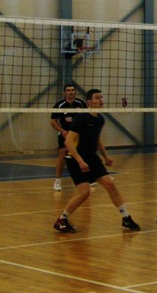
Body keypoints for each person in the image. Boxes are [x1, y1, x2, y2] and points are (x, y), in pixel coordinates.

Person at [53, 88, 140, 233]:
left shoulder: (100, 119)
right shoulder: (81, 118)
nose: (101, 100)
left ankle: (126, 218)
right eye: (97, 98)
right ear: (89, 102)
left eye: (101, 97)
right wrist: (80, 161)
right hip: (75, 159)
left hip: (92, 158)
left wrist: (105, 156)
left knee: (110, 185)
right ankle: (62, 220)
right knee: (84, 193)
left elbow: (97, 138)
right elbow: (68, 142)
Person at [50, 83, 87, 192]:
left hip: (78, 134)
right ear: (64, 93)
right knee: (62, 155)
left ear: (75, 92)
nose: (71, 92)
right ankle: (57, 181)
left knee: (84, 154)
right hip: (65, 133)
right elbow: (53, 121)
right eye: (68, 90)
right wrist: (62, 131)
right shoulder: (59, 105)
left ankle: (86, 179)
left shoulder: (81, 104)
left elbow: (87, 117)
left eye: (72, 90)